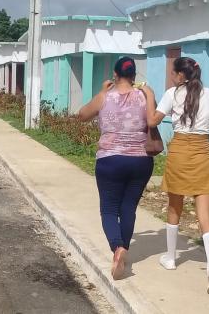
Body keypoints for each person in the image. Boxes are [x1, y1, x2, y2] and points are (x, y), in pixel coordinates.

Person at [140, 56, 209, 294]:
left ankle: (170, 258)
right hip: (202, 154)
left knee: (174, 207)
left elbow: (152, 120)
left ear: (181, 76)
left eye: (172, 73)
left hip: (179, 152)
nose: (170, 76)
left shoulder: (172, 94)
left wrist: (148, 96)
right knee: (205, 214)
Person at [78, 56, 155, 280]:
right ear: (134, 76)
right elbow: (152, 119)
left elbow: (82, 115)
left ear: (115, 74)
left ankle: (117, 248)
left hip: (110, 160)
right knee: (128, 207)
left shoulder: (106, 96)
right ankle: (124, 250)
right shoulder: (144, 94)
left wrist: (102, 92)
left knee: (109, 209)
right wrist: (149, 93)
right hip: (141, 160)